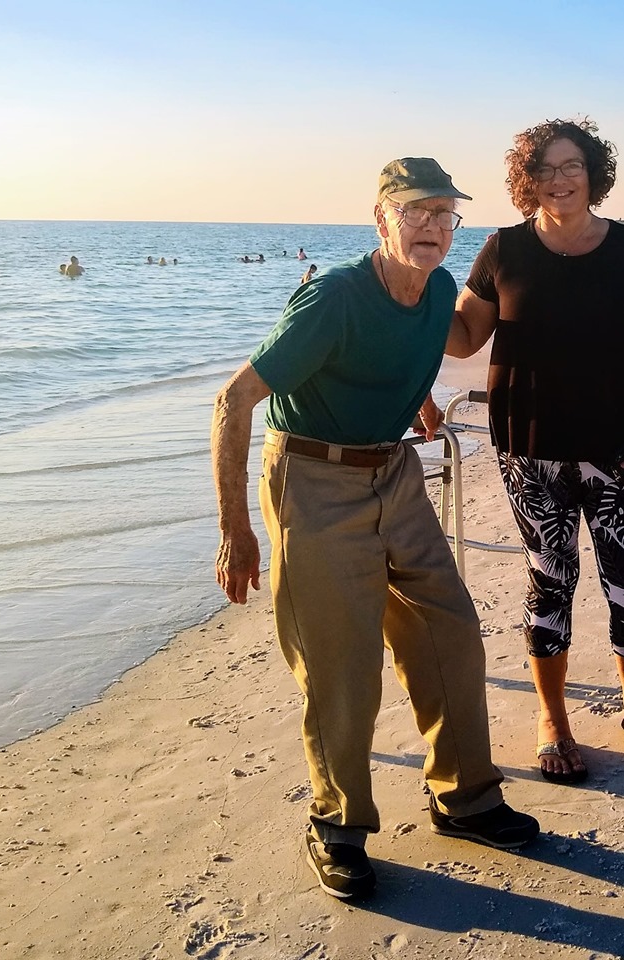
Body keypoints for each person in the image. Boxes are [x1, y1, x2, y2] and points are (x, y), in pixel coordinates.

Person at [211, 156, 540, 901]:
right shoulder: (333, 295)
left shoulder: (438, 287)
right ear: (381, 219)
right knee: (342, 664)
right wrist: (236, 530)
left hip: (392, 471)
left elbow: (427, 342)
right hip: (313, 480)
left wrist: (419, 398)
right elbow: (233, 400)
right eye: (415, 212)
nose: (431, 226)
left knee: (448, 628)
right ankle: (335, 825)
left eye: (444, 215)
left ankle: (465, 797)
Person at [445, 118, 624, 785]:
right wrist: (409, 288)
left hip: (617, 450)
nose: (558, 180)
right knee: (549, 581)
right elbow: (463, 337)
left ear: (593, 172)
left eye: (571, 165)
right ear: (528, 181)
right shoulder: (504, 249)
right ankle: (552, 718)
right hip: (531, 449)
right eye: (544, 169)